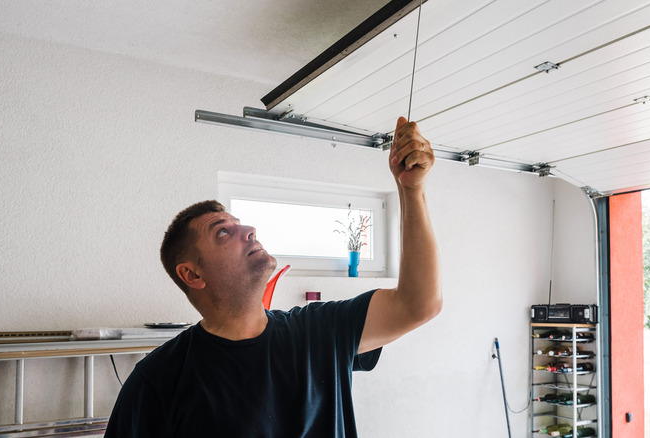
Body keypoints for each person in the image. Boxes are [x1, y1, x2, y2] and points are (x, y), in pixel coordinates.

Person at [104, 117, 441, 437]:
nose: (249, 230)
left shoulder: (321, 331)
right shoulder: (158, 381)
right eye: (224, 233)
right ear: (192, 274)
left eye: (241, 224)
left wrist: (411, 191)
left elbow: (418, 304)